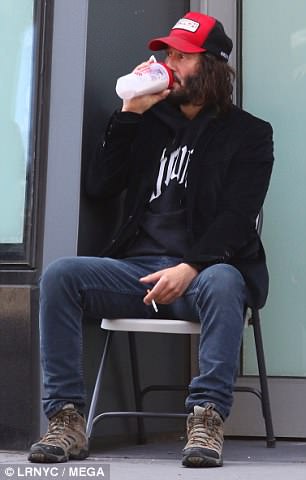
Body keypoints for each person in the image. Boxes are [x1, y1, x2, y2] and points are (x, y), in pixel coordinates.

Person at [28, 11, 274, 468]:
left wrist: (190, 267)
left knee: (225, 281)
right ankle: (65, 420)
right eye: (168, 54)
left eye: (183, 56)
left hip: (201, 275)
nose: (170, 63)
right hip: (136, 275)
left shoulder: (250, 135)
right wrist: (128, 115)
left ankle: (206, 418)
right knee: (62, 275)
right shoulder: (149, 120)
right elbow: (100, 187)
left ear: (213, 66)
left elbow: (237, 218)